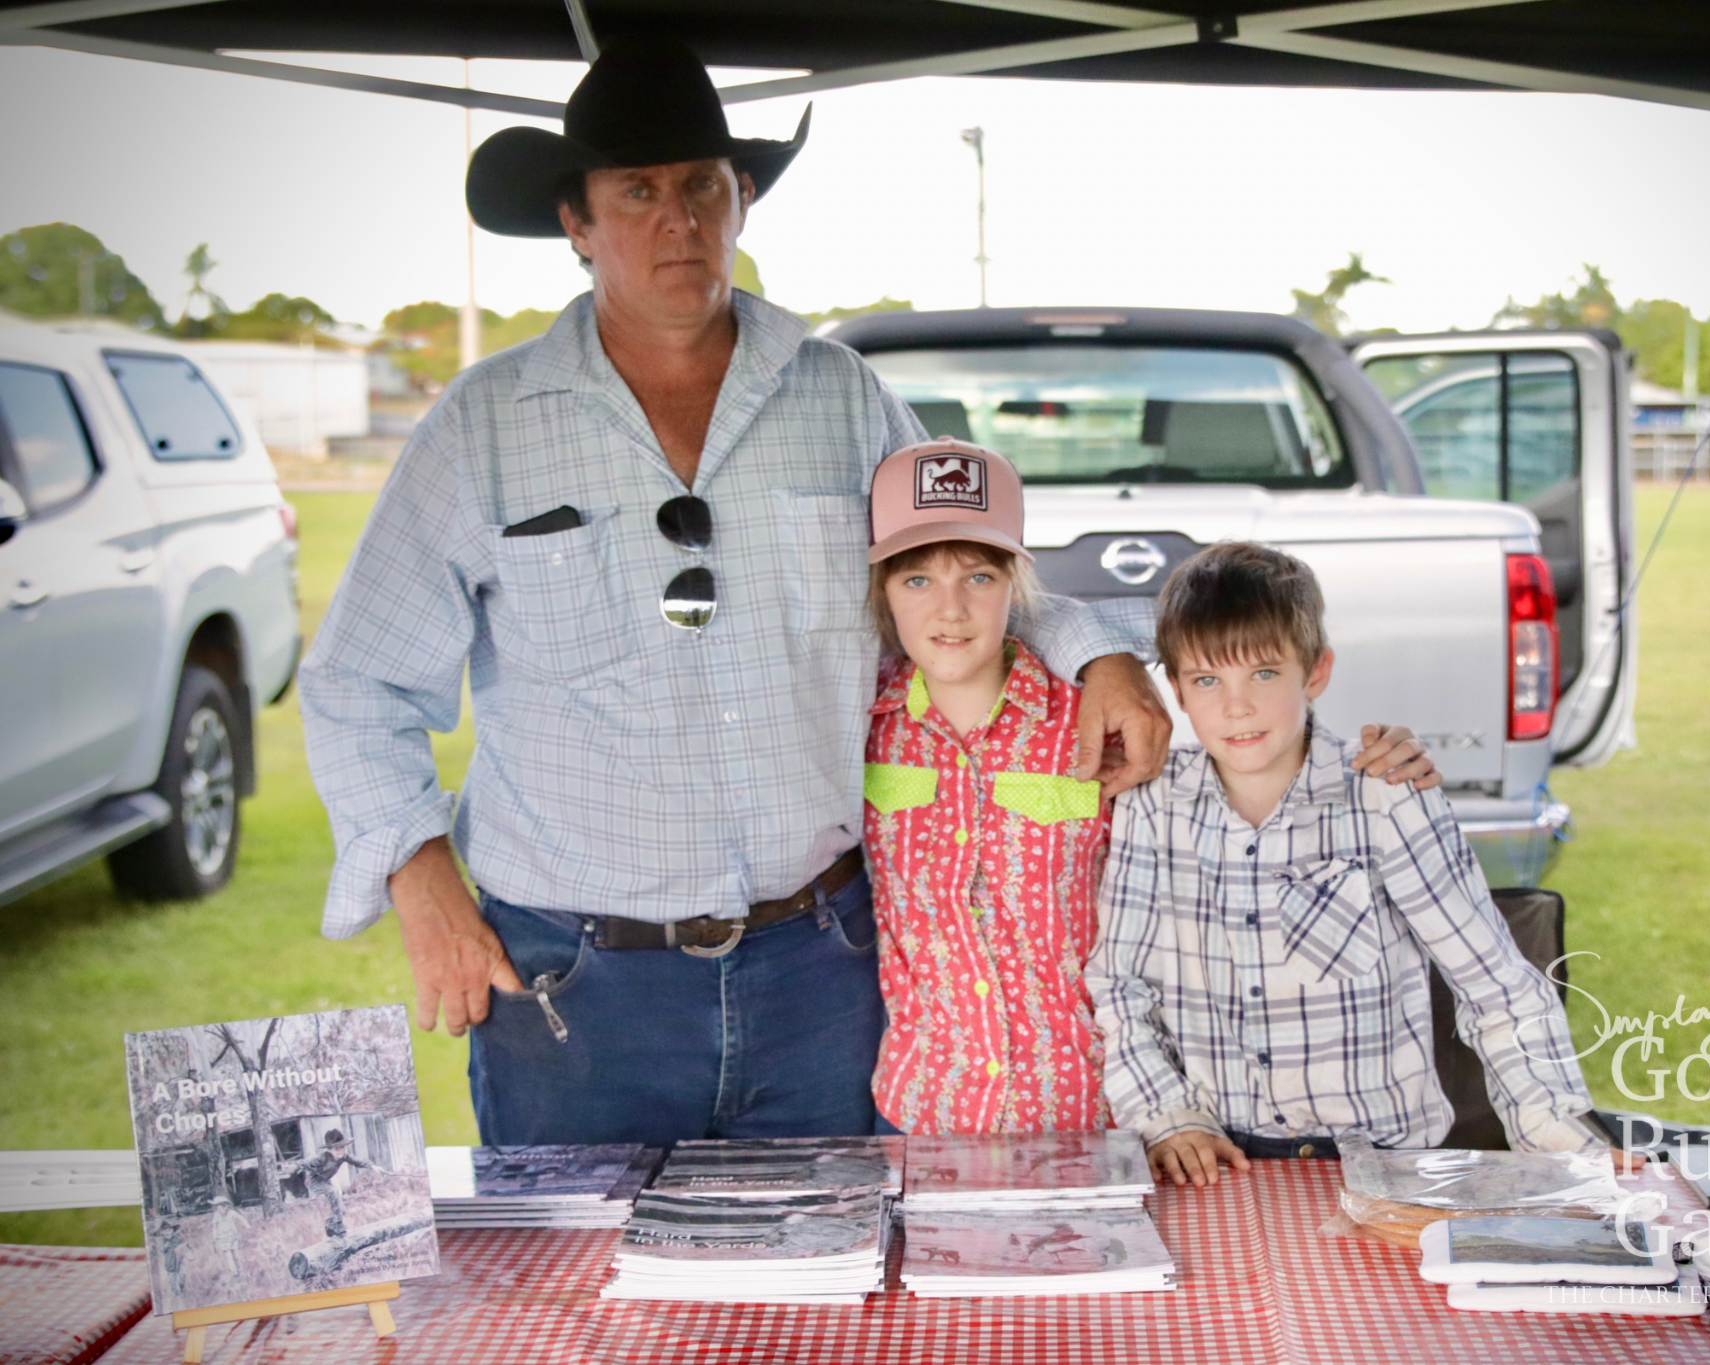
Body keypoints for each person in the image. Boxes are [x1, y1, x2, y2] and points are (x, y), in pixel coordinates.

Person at [302, 43, 1439, 1147]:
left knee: (838, 1302)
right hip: (577, 982)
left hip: (825, 968)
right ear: (576, 220)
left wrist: (1098, 657)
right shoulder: (481, 426)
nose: (677, 221)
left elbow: (963, 561)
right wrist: (421, 880)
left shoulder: (839, 397)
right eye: (637, 190)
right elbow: (358, 680)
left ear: (741, 196)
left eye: (702, 185)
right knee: (586, 1314)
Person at [1087, 542, 1600, 1187]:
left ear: (1316, 672)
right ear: (1178, 693)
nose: (1236, 707)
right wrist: (1165, 1115)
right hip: (1217, 1158)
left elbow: (1496, 986)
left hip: (1382, 1161)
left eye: (1265, 674)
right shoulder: (1151, 803)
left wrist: (1556, 1138)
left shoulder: (1384, 792)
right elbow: (1117, 984)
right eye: (1208, 680)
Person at [861, 439, 1112, 1136]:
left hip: (1084, 1109)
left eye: (977, 577)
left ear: (1016, 584)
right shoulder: (862, 728)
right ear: (882, 589)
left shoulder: (1088, 723)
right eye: (916, 580)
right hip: (924, 1107)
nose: (951, 609)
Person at [292, 1129, 373, 1240]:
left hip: (326, 1181)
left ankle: (330, 1223)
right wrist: (295, 1166)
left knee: (342, 1210)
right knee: (333, 1191)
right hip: (314, 1182)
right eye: (337, 1149)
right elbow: (306, 1163)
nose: (340, 1151)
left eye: (342, 1148)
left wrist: (372, 1166)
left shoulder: (344, 1156)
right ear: (330, 1150)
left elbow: (357, 1161)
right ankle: (339, 1225)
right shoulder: (322, 1158)